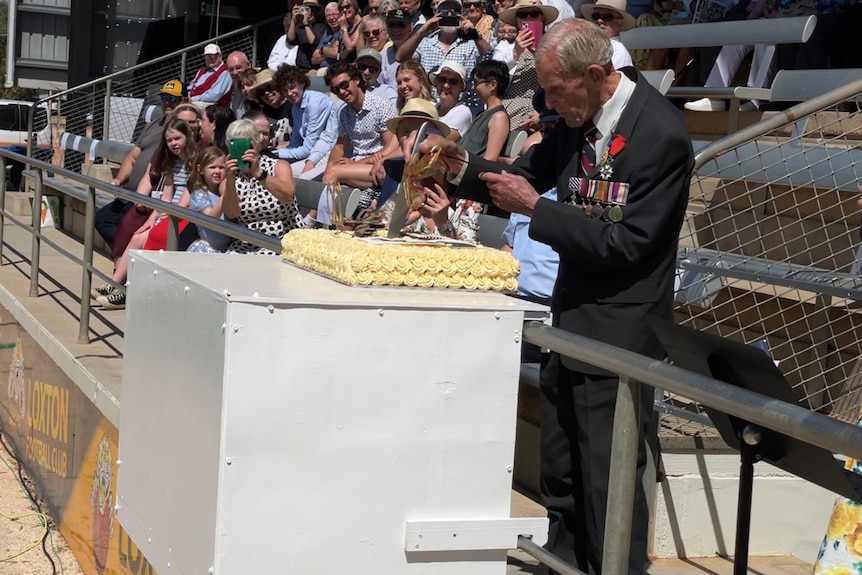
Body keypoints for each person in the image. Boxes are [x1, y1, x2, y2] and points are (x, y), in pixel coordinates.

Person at [414, 18, 694, 574]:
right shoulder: (576, 117)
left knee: (605, 477)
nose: (545, 100)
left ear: (594, 75)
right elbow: (522, 174)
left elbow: (627, 241)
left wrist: (537, 209)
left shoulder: (659, 134)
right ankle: (562, 561)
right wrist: (455, 165)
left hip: (618, 332)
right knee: (562, 469)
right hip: (568, 319)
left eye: (554, 89)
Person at [94, 118, 199, 310]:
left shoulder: (195, 162)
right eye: (169, 140)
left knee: (150, 237)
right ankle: (115, 283)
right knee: (137, 237)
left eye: (178, 138)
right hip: (170, 211)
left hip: (185, 214)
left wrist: (163, 218)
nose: (174, 144)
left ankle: (126, 291)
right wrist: (153, 219)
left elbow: (186, 199)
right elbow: (166, 197)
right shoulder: (171, 162)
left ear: (188, 137)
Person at [95, 79, 185, 249]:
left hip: (151, 196)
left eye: (173, 99)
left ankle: (130, 256)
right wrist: (119, 179)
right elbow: (132, 157)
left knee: (122, 229)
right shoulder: (153, 124)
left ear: (184, 101)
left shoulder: (182, 129)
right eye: (164, 97)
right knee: (103, 219)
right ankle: (128, 255)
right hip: (131, 192)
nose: (167, 102)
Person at [222, 119, 304, 254]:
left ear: (257, 145)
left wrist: (259, 173)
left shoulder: (278, 166)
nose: (243, 150)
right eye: (236, 145)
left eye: (247, 144)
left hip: (284, 237)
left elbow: (288, 196)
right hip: (249, 241)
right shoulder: (232, 177)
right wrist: (230, 180)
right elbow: (232, 213)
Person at [322, 61, 398, 190]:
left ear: (356, 80)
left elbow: (389, 149)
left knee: (332, 175)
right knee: (327, 176)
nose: (342, 92)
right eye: (336, 89)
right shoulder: (344, 113)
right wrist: (330, 165)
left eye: (344, 85)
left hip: (379, 167)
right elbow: (340, 146)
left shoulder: (381, 106)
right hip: (356, 166)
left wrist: (356, 163)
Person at [395, 0, 492, 86]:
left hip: (460, 104)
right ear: (436, 15)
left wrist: (475, 35)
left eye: (454, 12)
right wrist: (421, 32)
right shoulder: (425, 43)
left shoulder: (471, 44)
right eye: (444, 12)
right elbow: (400, 58)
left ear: (461, 15)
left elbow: (491, 60)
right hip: (430, 102)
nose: (449, 15)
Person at [498, 0, 559, 128]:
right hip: (507, 104)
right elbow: (496, 81)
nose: (529, 18)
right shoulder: (505, 48)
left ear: (542, 17)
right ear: (517, 20)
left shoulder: (556, 46)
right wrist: (515, 54)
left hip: (539, 107)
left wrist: (543, 111)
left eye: (534, 14)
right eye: (523, 15)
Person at [271, 64, 335, 172]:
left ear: (302, 83)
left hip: (327, 153)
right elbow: (295, 142)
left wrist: (274, 154)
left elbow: (308, 149)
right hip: (312, 153)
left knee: (284, 174)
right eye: (284, 91)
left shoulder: (315, 103)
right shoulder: (295, 108)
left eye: (292, 88)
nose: (289, 93)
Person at [459, 59, 510, 160]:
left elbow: (490, 159)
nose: (473, 87)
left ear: (492, 85)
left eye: (476, 82)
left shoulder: (499, 117)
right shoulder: (482, 115)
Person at [186, 146, 232, 254]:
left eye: (221, 167)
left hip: (227, 250)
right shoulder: (199, 195)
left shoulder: (222, 193)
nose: (217, 171)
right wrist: (226, 195)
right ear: (200, 169)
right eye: (212, 167)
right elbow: (210, 218)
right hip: (207, 249)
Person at [580, 0, 635, 70]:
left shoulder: (618, 52)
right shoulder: (588, 46)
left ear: (619, 24)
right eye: (596, 16)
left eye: (607, 17)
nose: (599, 20)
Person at [429, 61, 473, 140]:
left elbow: (442, 143)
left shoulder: (462, 112)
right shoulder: (431, 107)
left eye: (453, 81)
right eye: (442, 79)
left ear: (461, 86)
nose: (446, 85)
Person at [287, 0, 327, 71]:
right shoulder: (300, 28)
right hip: (301, 68)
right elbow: (290, 40)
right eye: (306, 9)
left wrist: (306, 24)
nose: (309, 13)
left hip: (315, 68)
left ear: (316, 12)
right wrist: (293, 20)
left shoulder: (321, 27)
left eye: (312, 10)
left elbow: (314, 43)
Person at [380, 9, 413, 88]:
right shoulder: (382, 57)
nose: (396, 29)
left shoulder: (421, 51)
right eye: (391, 25)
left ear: (410, 27)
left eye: (400, 25)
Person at [312, 2, 344, 68]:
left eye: (334, 14)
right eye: (328, 15)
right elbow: (313, 59)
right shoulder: (326, 33)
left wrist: (322, 50)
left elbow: (335, 53)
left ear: (341, 15)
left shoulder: (344, 30)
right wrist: (328, 51)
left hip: (336, 70)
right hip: (322, 69)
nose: (332, 18)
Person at [225, 51, 253, 118]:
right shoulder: (235, 96)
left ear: (248, 65)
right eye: (231, 69)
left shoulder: (261, 88)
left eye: (238, 68)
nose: (235, 72)